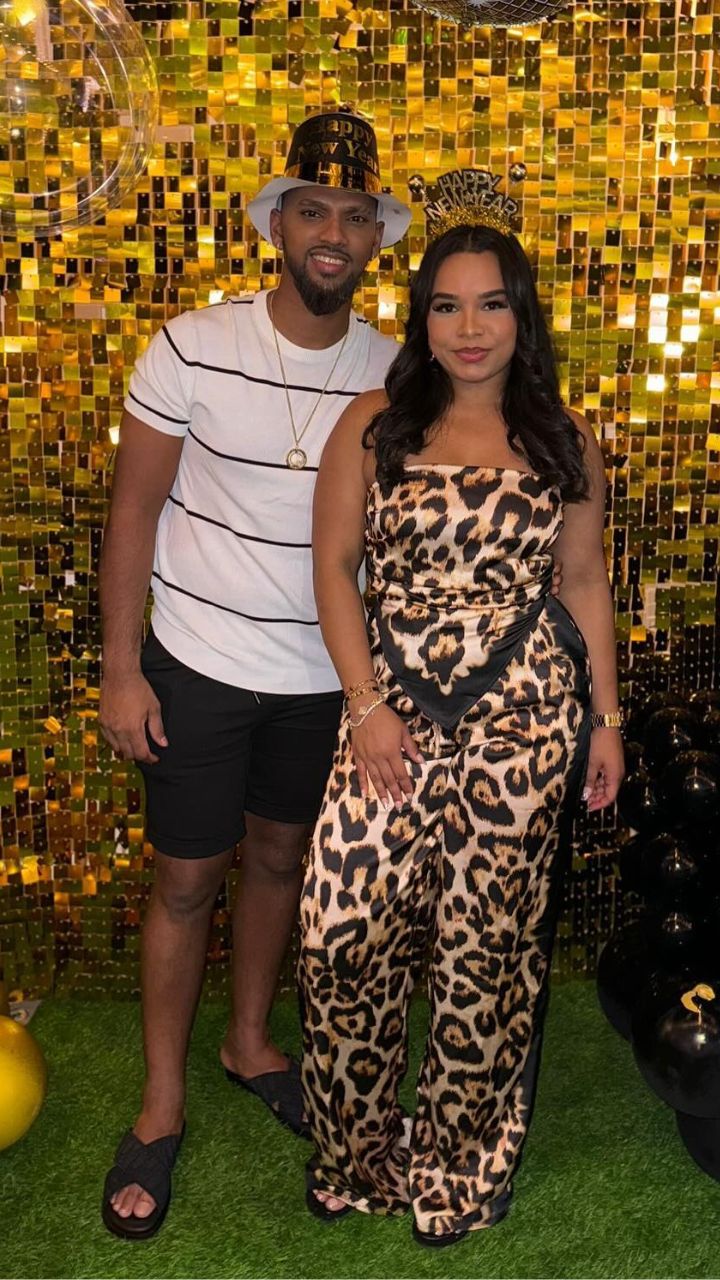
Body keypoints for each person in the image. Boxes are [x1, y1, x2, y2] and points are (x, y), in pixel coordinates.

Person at [97, 109, 413, 1240]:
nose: (333, 233)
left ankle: (247, 1043)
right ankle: (161, 1101)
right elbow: (134, 510)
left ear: (374, 237)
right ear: (279, 224)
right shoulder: (191, 345)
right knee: (188, 880)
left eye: (355, 216)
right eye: (312, 210)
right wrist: (121, 667)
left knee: (280, 857)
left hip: (326, 677)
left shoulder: (397, 370)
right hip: (199, 662)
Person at [299, 209, 625, 1247]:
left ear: (521, 317)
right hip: (387, 718)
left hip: (523, 725)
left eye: (491, 305)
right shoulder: (373, 425)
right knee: (341, 933)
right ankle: (357, 1154)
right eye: (447, 306)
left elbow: (584, 583)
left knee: (486, 955)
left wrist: (605, 722)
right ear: (422, 319)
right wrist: (365, 706)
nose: (470, 328)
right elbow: (333, 569)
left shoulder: (564, 439)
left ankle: (461, 1167)